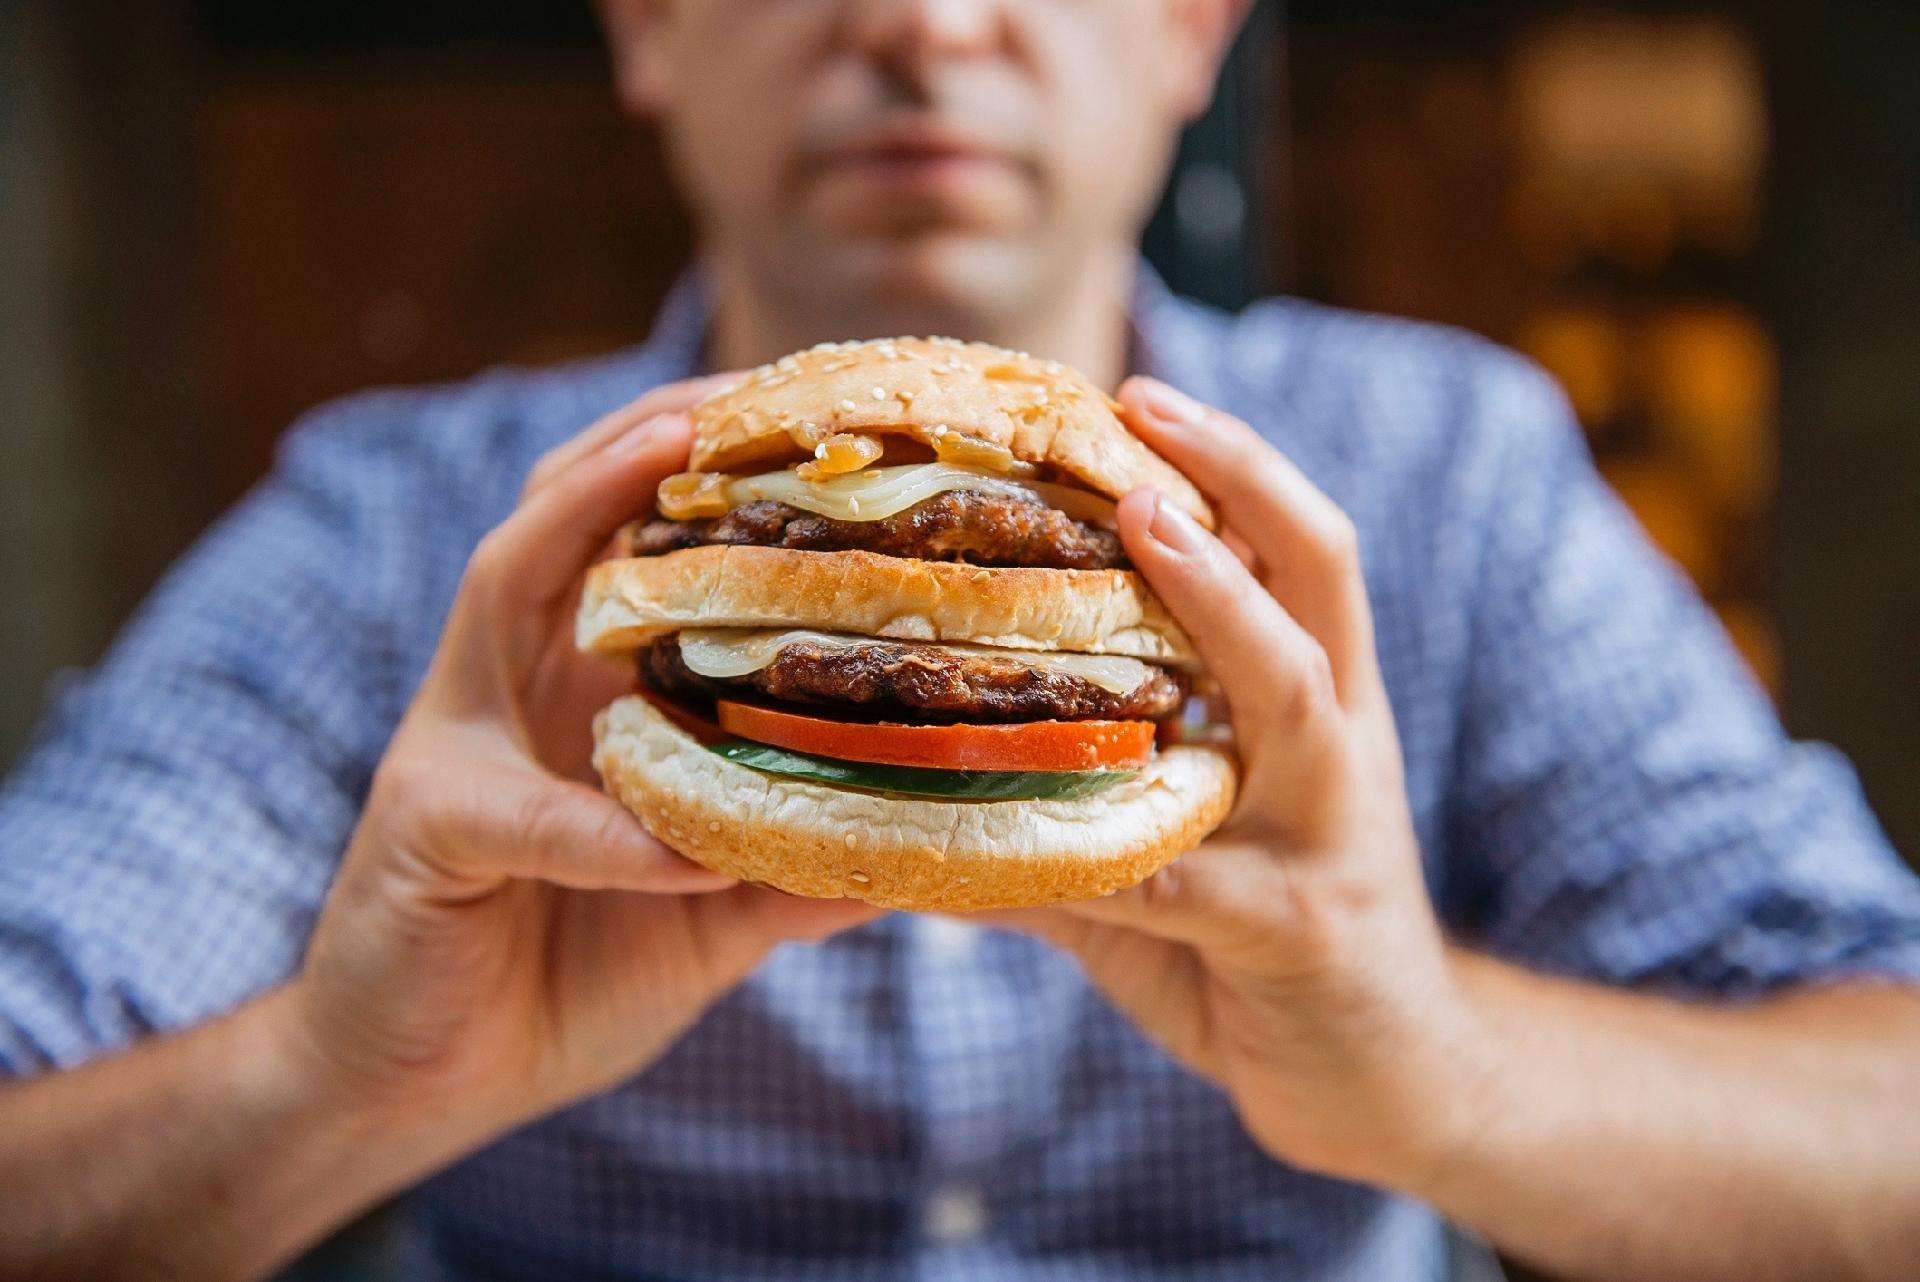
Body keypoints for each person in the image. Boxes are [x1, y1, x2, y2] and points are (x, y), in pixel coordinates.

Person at [2, 1, 1918, 1278]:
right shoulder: (395, 529)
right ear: (649, 23)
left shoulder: (1453, 473)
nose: (926, 23)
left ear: (1192, 30)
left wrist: (1444, 1070)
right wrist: (337, 1077)